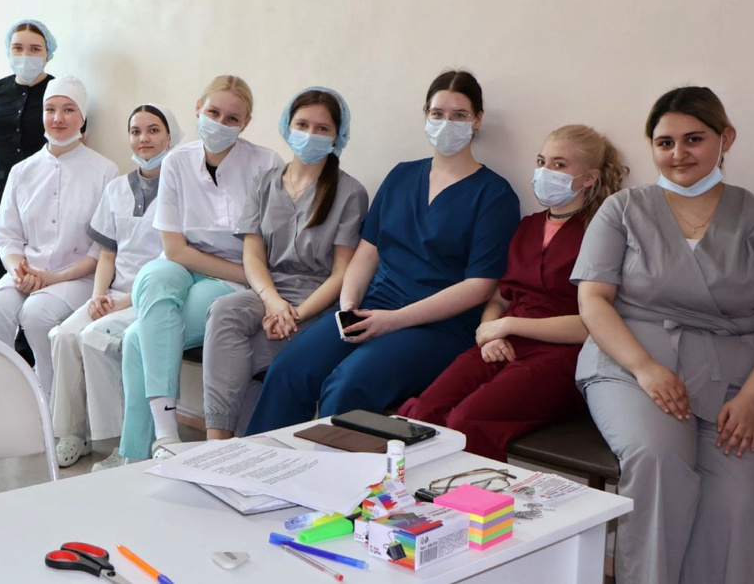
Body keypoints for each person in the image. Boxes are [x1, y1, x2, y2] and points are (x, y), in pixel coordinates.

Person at [574, 87, 754, 584]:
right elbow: (592, 300)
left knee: (738, 504)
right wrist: (644, 369)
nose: (678, 153)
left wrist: (752, 398)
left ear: (726, 138)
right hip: (632, 368)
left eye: (693, 139)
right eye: (665, 142)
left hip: (736, 383)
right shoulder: (622, 209)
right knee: (659, 464)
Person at [246, 69, 520, 434]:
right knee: (289, 369)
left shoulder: (494, 195)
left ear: (477, 120)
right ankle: (264, 463)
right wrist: (348, 306)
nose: (446, 123)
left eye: (459, 115)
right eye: (437, 113)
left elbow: (479, 286)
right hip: (374, 306)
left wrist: (394, 320)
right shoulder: (401, 176)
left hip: (438, 328)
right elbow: (367, 252)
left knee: (348, 384)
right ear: (426, 115)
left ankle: (334, 471)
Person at [397, 125, 627, 461]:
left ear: (589, 178)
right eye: (542, 162)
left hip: (561, 356)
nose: (545, 172)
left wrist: (506, 326)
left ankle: (477, 493)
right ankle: (417, 492)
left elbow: (592, 324)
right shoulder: (528, 225)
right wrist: (488, 334)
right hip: (503, 342)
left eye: (559, 165)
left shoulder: (600, 233)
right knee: (424, 412)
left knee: (466, 421)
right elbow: (500, 298)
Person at [116, 75, 283, 462]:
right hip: (182, 264)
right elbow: (174, 249)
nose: (220, 123)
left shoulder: (266, 164)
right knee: (153, 277)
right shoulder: (177, 161)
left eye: (232, 118)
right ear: (197, 109)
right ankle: (166, 439)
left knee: (137, 339)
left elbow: (265, 246)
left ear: (246, 123)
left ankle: (145, 450)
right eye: (213, 112)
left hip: (236, 277)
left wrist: (251, 278)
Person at [202, 87, 369, 440]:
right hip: (268, 292)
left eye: (322, 128)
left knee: (241, 356)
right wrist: (274, 302)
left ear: (337, 136)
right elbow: (252, 254)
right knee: (223, 311)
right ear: (287, 127)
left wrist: (296, 314)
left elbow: (342, 273)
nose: (310, 134)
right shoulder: (265, 182)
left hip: (317, 302)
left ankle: (244, 447)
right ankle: (216, 445)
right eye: (302, 124)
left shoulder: (350, 192)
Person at [48, 103, 182, 469]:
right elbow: (107, 253)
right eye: (136, 131)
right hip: (111, 295)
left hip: (149, 297)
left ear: (170, 137)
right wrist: (97, 296)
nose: (144, 139)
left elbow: (175, 257)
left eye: (153, 130)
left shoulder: (180, 190)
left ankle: (120, 445)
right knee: (63, 335)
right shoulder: (116, 188)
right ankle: (72, 433)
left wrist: (120, 302)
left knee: (95, 338)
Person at [0, 76, 118, 398]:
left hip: (77, 277)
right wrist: (19, 271)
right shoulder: (22, 171)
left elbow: (101, 248)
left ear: (82, 117)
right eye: (50, 109)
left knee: (37, 314)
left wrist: (52, 278)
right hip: (28, 272)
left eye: (68, 110)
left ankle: (54, 403)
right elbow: (7, 234)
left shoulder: (105, 171)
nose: (58, 118)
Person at [0, 19, 58, 362]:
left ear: (48, 53)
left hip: (40, 205)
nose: (26, 55)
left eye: (35, 49)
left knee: (29, 284)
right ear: (8, 51)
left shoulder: (58, 92)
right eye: (18, 48)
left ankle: (25, 365)